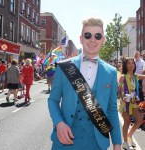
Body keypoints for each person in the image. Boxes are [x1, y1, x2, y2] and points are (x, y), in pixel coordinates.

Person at [48, 17, 121, 150]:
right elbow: (53, 100)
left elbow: (112, 109)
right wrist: (59, 123)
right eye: (88, 35)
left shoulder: (111, 72)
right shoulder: (64, 67)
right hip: (65, 139)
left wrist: (117, 143)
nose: (93, 40)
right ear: (81, 39)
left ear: (103, 40)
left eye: (97, 36)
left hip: (97, 142)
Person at [118, 57, 143, 150]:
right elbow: (119, 90)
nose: (131, 65)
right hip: (124, 103)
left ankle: (128, 136)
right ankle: (125, 142)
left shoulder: (136, 76)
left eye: (133, 63)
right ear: (126, 65)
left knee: (139, 119)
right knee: (127, 121)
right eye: (129, 63)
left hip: (133, 102)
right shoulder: (123, 76)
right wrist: (122, 97)